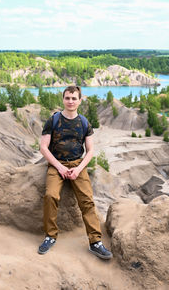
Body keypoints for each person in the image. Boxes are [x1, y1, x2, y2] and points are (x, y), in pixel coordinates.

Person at [38, 86, 112, 260]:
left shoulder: (84, 123)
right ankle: (50, 236)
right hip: (56, 165)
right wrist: (60, 167)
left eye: (74, 98)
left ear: (79, 100)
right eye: (67, 98)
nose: (70, 101)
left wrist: (78, 169)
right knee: (50, 196)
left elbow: (91, 150)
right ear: (63, 99)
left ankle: (95, 242)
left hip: (78, 164)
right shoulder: (53, 120)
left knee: (87, 201)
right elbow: (43, 147)